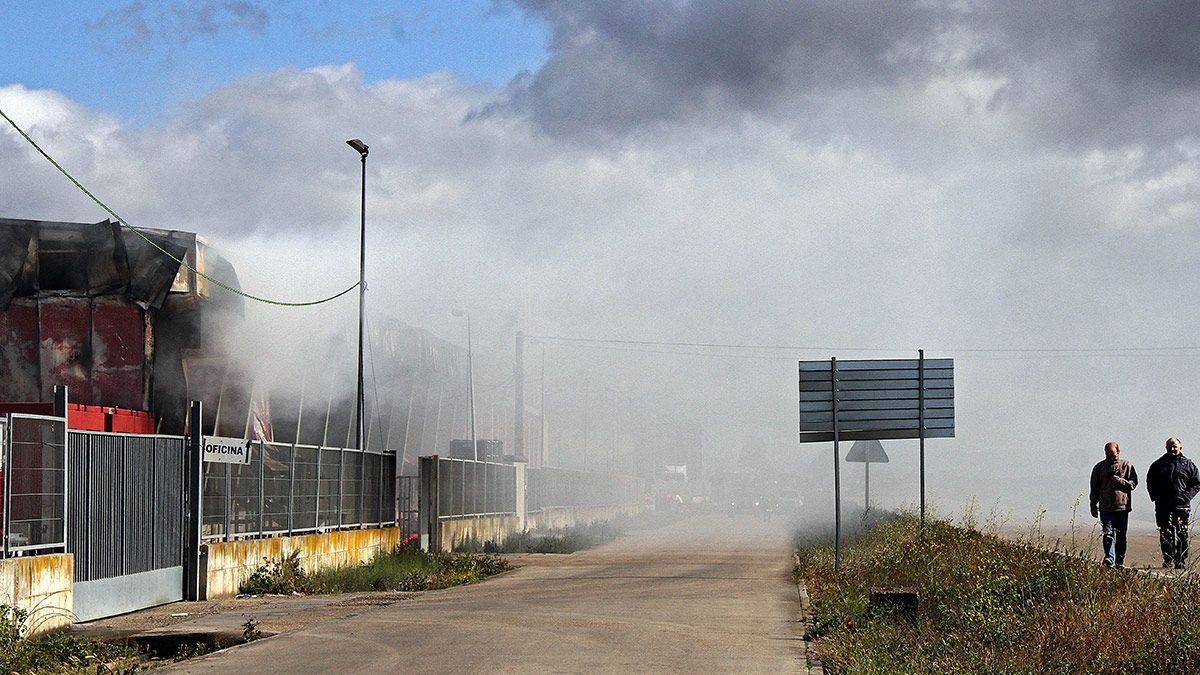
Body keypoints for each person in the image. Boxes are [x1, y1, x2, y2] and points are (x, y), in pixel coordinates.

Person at [1146, 437, 1200, 569]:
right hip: (1163, 507)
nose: (1172, 448)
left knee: (1182, 534)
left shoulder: (1188, 465)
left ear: (1180, 448)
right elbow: (1150, 482)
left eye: (1174, 446)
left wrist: (1187, 496)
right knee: (1166, 534)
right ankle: (1168, 559)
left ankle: (1180, 560)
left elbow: (1196, 483)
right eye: (1169, 446)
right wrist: (1155, 497)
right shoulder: (1158, 465)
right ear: (1166, 448)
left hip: (1182, 507)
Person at [1089, 441, 1138, 567]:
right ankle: (1110, 558)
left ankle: (1119, 560)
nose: (1111, 458)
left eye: (1114, 456)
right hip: (1106, 508)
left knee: (1121, 535)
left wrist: (1120, 481)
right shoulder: (1099, 467)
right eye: (1108, 455)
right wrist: (1093, 505)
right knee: (1108, 533)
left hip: (1122, 507)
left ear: (1118, 452)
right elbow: (1094, 488)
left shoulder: (1127, 465)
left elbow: (1133, 484)